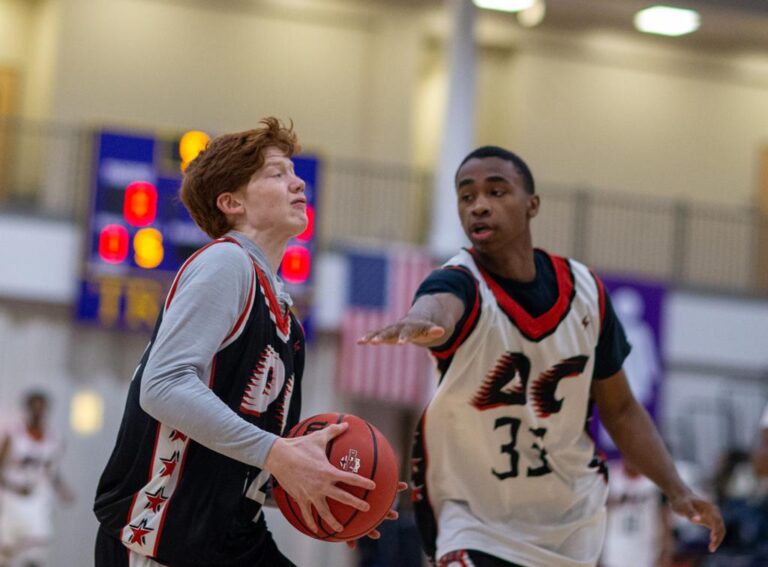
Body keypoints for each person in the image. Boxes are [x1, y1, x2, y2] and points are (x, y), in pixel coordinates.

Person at [359, 146, 725, 567]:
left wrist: (677, 489)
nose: (479, 206)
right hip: (474, 516)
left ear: (532, 204)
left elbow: (622, 410)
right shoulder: (460, 281)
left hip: (567, 525)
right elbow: (440, 302)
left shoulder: (586, 292)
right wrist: (417, 318)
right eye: (467, 196)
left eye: (496, 192)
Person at [94, 118, 398, 567]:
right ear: (231, 202)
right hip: (163, 539)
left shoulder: (286, 320)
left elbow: (245, 462)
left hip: (230, 536)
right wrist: (278, 453)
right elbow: (163, 386)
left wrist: (332, 487)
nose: (298, 184)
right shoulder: (226, 262)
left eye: (295, 173)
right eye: (277, 173)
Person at [0, 391, 72, 567]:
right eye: (34, 408)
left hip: (39, 499)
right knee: (7, 551)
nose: (37, 412)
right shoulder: (14, 435)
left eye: (41, 408)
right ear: (27, 409)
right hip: (13, 499)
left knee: (36, 551)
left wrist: (62, 489)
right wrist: (12, 487)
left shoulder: (54, 439)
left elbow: (52, 470)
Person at [601, 460, 672, 567]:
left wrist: (666, 549)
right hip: (614, 547)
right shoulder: (610, 477)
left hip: (646, 549)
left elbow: (664, 517)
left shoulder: (655, 483)